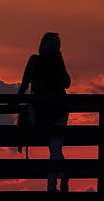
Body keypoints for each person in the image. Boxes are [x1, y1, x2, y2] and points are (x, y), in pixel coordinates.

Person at [18, 32, 71, 191]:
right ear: (57, 48)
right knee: (56, 148)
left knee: (53, 148)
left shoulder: (34, 60)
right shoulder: (57, 62)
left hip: (40, 111)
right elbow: (67, 83)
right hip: (60, 110)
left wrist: (15, 101)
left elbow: (24, 83)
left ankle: (52, 186)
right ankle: (58, 176)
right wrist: (61, 61)